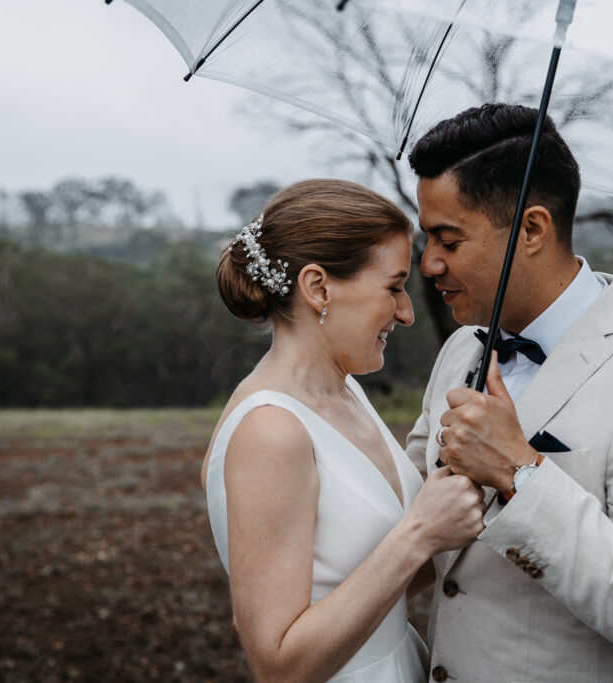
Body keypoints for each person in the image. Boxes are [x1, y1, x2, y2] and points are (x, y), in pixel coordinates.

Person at [404, 104, 613, 681]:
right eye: (427, 238)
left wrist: (521, 475)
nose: (428, 263)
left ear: (532, 229)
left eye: (448, 240)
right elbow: (411, 527)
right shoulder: (461, 350)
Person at [201, 179, 485, 683]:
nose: (407, 312)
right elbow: (278, 665)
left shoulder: (346, 390)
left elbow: (366, 573)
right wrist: (420, 534)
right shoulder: (270, 431)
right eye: (394, 287)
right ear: (318, 287)